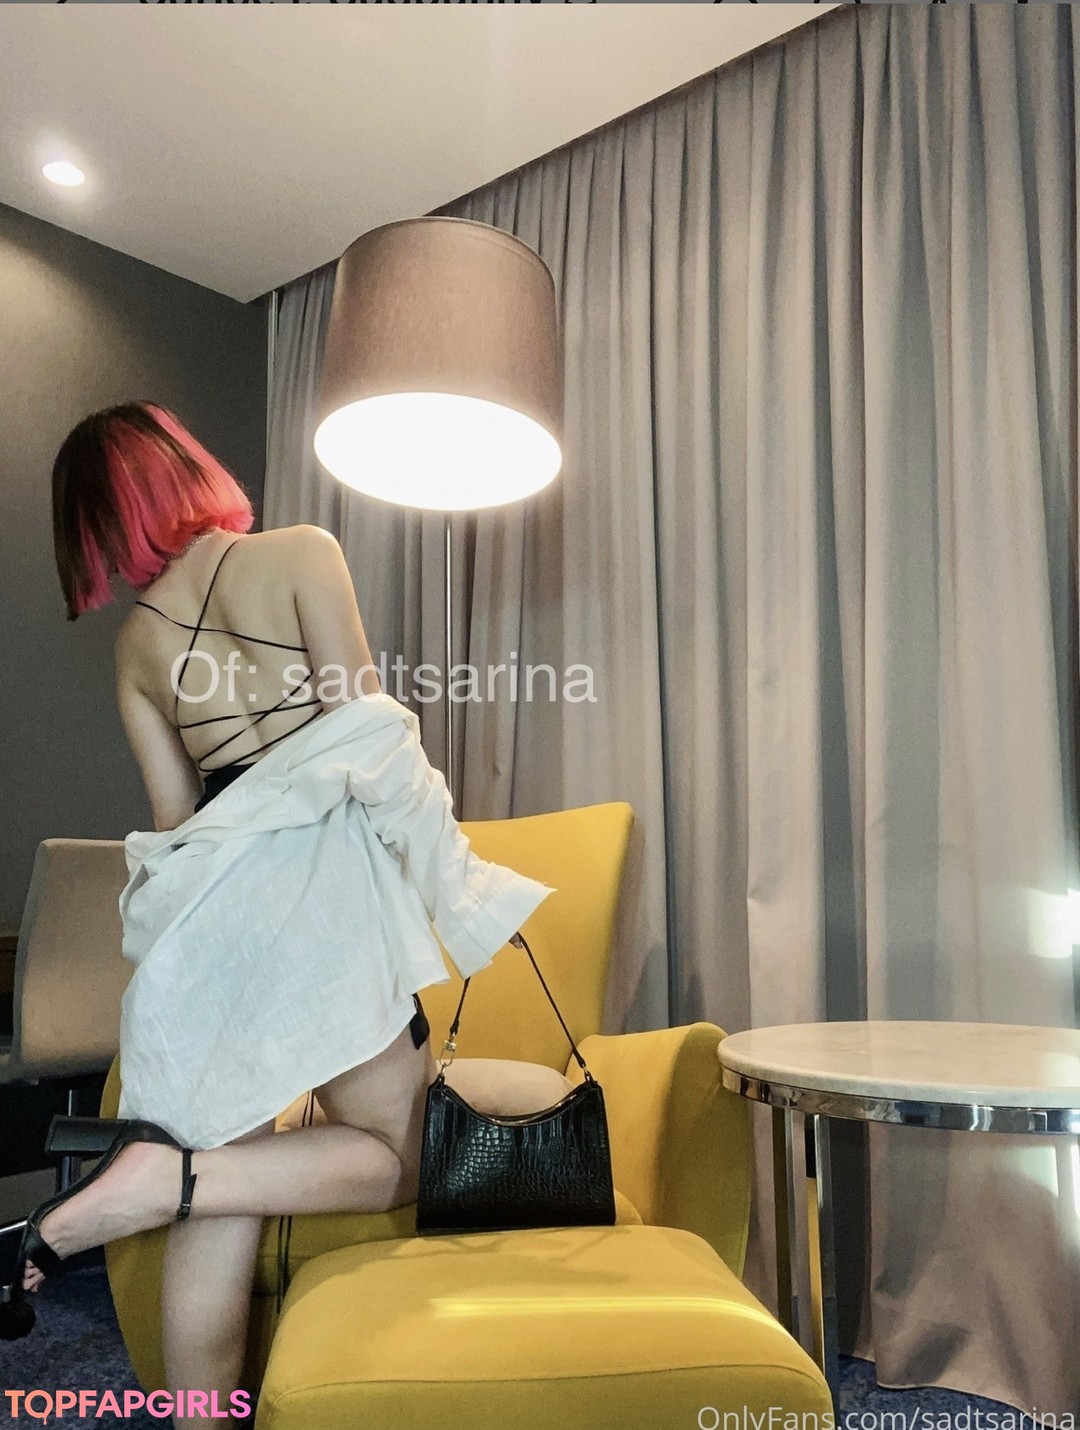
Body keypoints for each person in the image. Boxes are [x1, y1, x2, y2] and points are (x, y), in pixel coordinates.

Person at [5, 401, 570, 1425]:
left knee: (217, 1193)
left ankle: (168, 1227)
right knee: (396, 1157)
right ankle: (163, 1178)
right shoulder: (302, 552)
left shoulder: (136, 649)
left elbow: (175, 822)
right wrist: (445, 878)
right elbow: (370, 741)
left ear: (96, 524)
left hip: (214, 914)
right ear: (187, 468)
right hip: (327, 901)